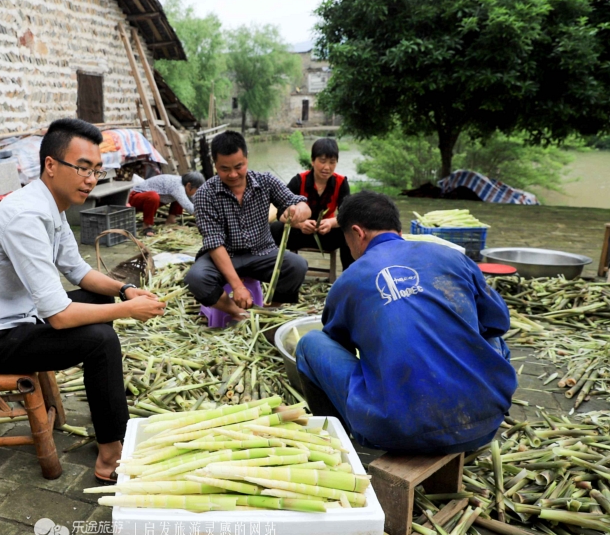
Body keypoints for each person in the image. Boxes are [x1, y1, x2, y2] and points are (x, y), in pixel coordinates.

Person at [0, 118, 167, 483]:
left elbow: (77, 270)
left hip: (15, 319)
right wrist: (127, 310)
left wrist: (124, 291)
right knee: (101, 341)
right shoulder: (26, 216)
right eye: (82, 168)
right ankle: (111, 456)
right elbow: (59, 316)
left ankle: (108, 423)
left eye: (96, 169)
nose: (91, 178)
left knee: (97, 297)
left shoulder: (51, 205)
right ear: (51, 165)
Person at [295, 191, 517, 453]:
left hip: (395, 433)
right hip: (484, 422)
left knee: (311, 343)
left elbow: (340, 346)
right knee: (493, 338)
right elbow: (498, 322)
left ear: (357, 233)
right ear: (398, 228)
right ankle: (472, 410)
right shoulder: (452, 256)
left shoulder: (348, 282)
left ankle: (339, 441)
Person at [184, 130, 311, 321]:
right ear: (215, 165)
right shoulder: (205, 194)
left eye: (238, 166)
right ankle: (238, 313)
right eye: (224, 169)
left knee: (297, 266)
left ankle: (269, 312)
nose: (233, 174)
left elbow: (301, 204)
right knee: (196, 278)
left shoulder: (265, 181)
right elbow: (214, 244)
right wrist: (237, 286)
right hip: (225, 255)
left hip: (262, 252)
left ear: (247, 159)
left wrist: (299, 211)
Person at [270, 137, 354, 270]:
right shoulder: (299, 181)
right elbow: (280, 212)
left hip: (326, 234)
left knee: (351, 231)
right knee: (273, 229)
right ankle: (274, 273)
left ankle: (349, 277)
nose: (327, 167)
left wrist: (330, 223)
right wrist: (300, 224)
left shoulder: (341, 182)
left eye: (332, 162)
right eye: (322, 161)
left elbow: (347, 215)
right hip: (299, 233)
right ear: (313, 161)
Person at [128, 171, 205, 236]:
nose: (196, 193)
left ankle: (170, 220)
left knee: (180, 198)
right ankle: (147, 226)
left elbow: (195, 200)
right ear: (189, 185)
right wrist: (206, 219)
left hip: (154, 202)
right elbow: (189, 207)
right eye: (196, 190)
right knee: (153, 196)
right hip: (135, 198)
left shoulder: (183, 185)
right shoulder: (177, 186)